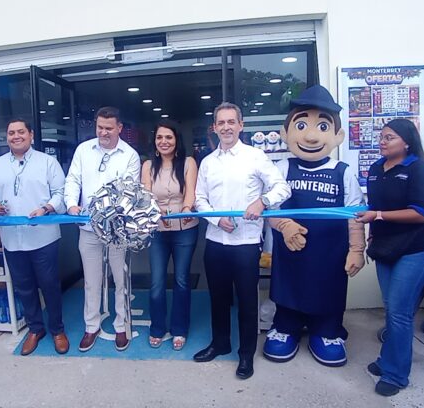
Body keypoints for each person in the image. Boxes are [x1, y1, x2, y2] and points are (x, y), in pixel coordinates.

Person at [263, 85, 366, 367]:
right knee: (288, 292)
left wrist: (357, 249)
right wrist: (284, 225)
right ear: (286, 133)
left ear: (337, 136)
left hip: (330, 255)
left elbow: (355, 214)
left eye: (322, 126)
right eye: (301, 125)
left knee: (329, 293)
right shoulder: (282, 168)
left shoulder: (343, 172)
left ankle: (327, 330)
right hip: (291, 255)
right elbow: (269, 208)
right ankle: (286, 327)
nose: (310, 136)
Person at [192, 102, 290, 379]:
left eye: (231, 122)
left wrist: (263, 201)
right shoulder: (208, 162)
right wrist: (216, 219)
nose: (226, 127)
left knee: (247, 301)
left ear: (240, 125)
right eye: (221, 123)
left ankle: (246, 354)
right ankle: (220, 343)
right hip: (215, 241)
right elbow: (200, 199)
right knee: (218, 298)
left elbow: (282, 187)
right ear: (214, 127)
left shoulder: (255, 156)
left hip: (246, 243)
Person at [355, 118, 424, 396]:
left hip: (417, 248)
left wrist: (378, 216)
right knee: (391, 307)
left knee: (399, 311)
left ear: (406, 142)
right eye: (381, 136)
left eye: (389, 137)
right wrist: (372, 231)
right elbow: (374, 206)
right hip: (386, 247)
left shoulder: (419, 169)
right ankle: (387, 360)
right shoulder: (376, 169)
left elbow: (422, 213)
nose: (382, 141)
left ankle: (396, 374)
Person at [0, 119, 68, 356]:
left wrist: (47, 208)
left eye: (21, 132)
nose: (16, 136)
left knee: (49, 285)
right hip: (12, 239)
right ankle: (35, 329)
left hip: (43, 237)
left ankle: (57, 330)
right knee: (24, 287)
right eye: (11, 133)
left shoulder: (47, 162)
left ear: (31, 135)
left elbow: (61, 193)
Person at [65, 106, 140, 352]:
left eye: (109, 128)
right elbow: (73, 179)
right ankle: (91, 326)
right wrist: (71, 204)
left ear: (119, 128)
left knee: (121, 280)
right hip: (88, 228)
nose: (103, 132)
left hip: (117, 230)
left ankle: (121, 326)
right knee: (91, 280)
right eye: (100, 127)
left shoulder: (130, 155)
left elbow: (129, 191)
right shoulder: (83, 150)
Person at [141, 119, 199, 351]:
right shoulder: (148, 166)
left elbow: (190, 192)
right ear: (154, 141)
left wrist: (186, 209)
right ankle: (157, 328)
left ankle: (179, 329)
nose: (164, 141)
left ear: (176, 140)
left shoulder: (188, 162)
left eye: (168, 137)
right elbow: (145, 196)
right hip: (157, 230)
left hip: (185, 228)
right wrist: (156, 212)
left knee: (182, 280)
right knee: (156, 281)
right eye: (159, 137)